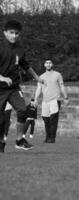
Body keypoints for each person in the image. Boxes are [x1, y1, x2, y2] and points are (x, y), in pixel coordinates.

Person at [0, 20, 44, 153]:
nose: (14, 36)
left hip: (13, 87)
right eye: (11, 33)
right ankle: (1, 142)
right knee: (1, 120)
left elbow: (25, 65)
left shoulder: (20, 48)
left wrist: (37, 77)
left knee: (23, 110)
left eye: (16, 33)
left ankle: (19, 140)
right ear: (5, 33)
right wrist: (1, 78)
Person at [34, 59, 68, 143]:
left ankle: (52, 138)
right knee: (46, 120)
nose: (48, 64)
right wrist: (35, 99)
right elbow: (38, 89)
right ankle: (47, 137)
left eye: (50, 63)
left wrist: (65, 97)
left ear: (52, 64)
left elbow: (62, 86)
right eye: (46, 63)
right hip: (45, 101)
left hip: (55, 100)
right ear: (44, 65)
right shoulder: (41, 77)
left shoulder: (57, 75)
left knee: (53, 120)